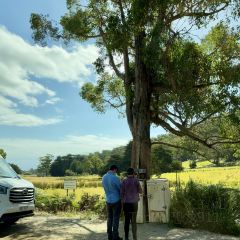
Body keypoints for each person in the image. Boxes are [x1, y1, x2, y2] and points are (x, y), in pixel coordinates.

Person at [121, 168, 142, 240]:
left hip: (126, 204)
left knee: (126, 220)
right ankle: (134, 238)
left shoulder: (124, 181)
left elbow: (122, 193)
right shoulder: (136, 180)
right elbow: (140, 191)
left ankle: (126, 237)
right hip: (134, 204)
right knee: (133, 221)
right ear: (133, 173)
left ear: (127, 173)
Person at [102, 165, 123, 240]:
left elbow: (104, 187)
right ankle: (115, 236)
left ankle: (109, 236)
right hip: (116, 200)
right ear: (114, 169)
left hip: (108, 200)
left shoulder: (104, 177)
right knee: (115, 218)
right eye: (116, 171)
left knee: (109, 218)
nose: (116, 172)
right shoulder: (115, 177)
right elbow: (120, 188)